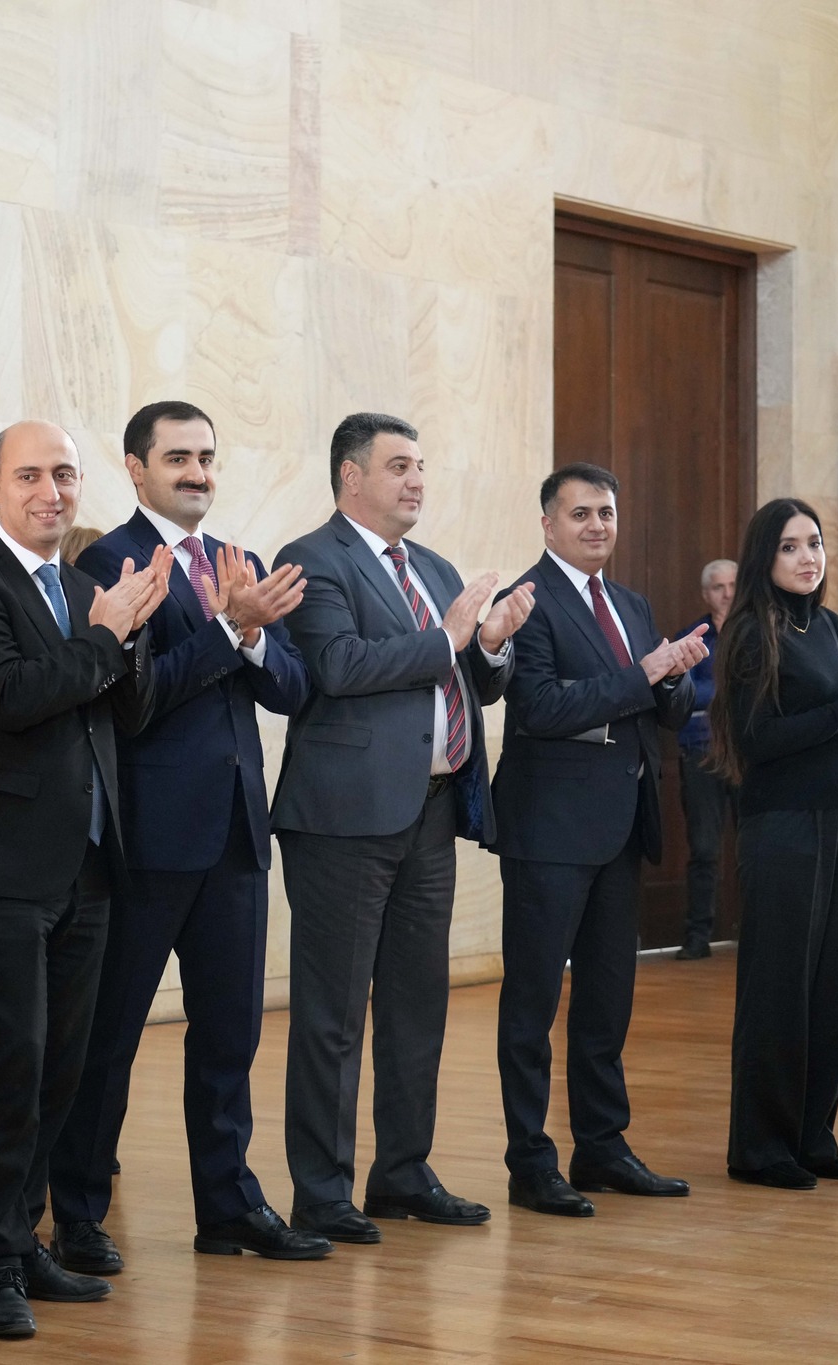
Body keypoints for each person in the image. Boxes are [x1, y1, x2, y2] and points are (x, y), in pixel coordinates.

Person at [46, 400, 324, 1270]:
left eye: (206, 455)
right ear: (137, 468)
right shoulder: (109, 562)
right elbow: (139, 699)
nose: (198, 472)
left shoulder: (238, 561)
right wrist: (229, 629)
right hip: (148, 840)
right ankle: (78, 1212)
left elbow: (292, 689)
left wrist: (253, 633)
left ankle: (228, 1205)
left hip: (236, 835)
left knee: (229, 1037)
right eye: (178, 457)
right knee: (110, 1038)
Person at [0, 419, 166, 1339]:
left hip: (87, 866)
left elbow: (129, 713)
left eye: (63, 474)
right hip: (1, 870)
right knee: (7, 1070)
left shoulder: (84, 588)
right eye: (29, 475)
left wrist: (130, 635)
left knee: (60, 1070)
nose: (49, 491)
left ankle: (24, 1240)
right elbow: (13, 697)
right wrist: (106, 637)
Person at [270, 412, 531, 1245]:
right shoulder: (312, 559)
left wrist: (489, 646)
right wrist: (449, 637)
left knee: (419, 1003)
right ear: (351, 476)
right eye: (398, 466)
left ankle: (404, 1171)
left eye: (420, 466)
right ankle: (322, 1192)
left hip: (433, 809)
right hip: (344, 818)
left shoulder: (434, 566)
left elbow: (470, 679)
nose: (417, 480)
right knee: (334, 1013)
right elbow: (337, 666)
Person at [489, 463, 701, 1218]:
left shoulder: (631, 603)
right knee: (533, 1003)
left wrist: (672, 678)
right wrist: (645, 675)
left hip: (621, 826)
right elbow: (542, 706)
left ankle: (603, 1146)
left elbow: (665, 706)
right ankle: (530, 1162)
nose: (597, 526)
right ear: (548, 523)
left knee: (608, 1000)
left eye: (606, 512)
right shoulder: (527, 600)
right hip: (548, 828)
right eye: (580, 513)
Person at [712, 497, 838, 1190]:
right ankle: (760, 1147)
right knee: (779, 984)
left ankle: (813, 1135)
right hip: (784, 823)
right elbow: (759, 741)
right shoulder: (750, 633)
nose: (808, 557)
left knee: (836, 981)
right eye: (791, 546)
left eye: (815, 543)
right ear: (765, 556)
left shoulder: (827, 626)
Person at [676, 558, 736, 959]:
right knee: (703, 849)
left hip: (751, 756)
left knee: (758, 848)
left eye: (733, 585)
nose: (727, 594)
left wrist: (711, 695)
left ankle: (760, 934)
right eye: (718, 587)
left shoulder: (758, 632)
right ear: (705, 594)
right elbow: (684, 695)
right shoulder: (691, 638)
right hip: (701, 754)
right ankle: (698, 937)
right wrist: (729, 694)